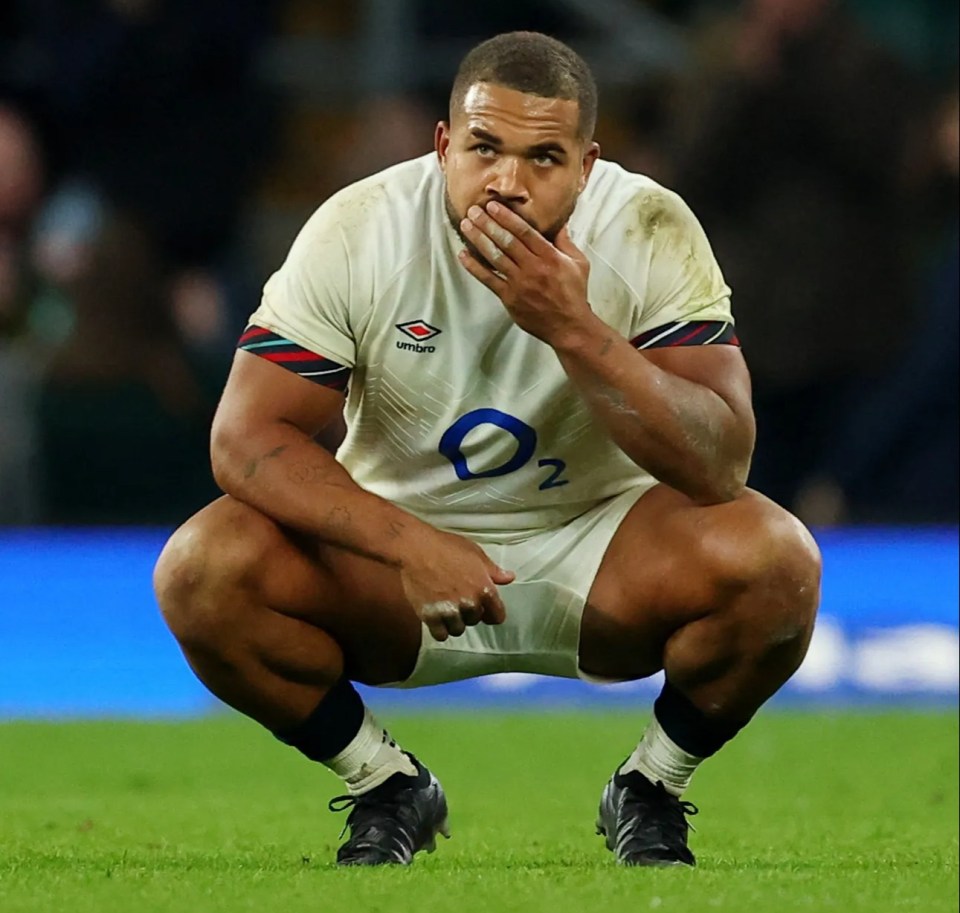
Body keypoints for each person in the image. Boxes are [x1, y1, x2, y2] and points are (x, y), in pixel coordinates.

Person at [154, 32, 821, 868]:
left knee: (778, 562)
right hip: (397, 563)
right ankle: (387, 785)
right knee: (200, 570)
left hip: (604, 547)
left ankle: (649, 789)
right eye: (484, 148)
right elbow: (245, 440)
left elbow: (721, 462)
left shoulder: (647, 223)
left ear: (586, 166)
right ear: (443, 148)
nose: (508, 181)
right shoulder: (361, 229)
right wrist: (413, 544)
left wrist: (575, 329)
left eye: (544, 157)